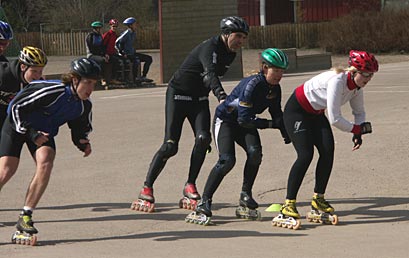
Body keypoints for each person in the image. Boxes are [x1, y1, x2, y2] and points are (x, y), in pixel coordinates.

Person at [130, 16, 249, 213]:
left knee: (203, 139)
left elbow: (212, 77)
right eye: (238, 36)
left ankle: (190, 185)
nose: (241, 41)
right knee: (170, 146)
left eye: (244, 38)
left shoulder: (230, 53)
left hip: (199, 99)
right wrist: (221, 97)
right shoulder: (209, 48)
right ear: (226, 34)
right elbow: (210, 74)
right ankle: (147, 187)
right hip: (178, 94)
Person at [272, 50, 377, 229]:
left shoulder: (357, 88)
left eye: (371, 75)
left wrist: (357, 133)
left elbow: (359, 112)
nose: (368, 78)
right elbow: (335, 118)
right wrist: (357, 127)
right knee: (305, 155)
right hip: (297, 111)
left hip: (315, 113)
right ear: (353, 71)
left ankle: (318, 199)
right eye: (365, 74)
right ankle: (288, 204)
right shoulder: (338, 81)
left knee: (328, 152)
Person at [0, 58, 100, 244]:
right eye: (87, 82)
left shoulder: (83, 105)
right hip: (18, 126)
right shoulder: (51, 90)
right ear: (75, 79)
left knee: (46, 160)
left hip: (42, 133)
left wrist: (81, 142)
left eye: (94, 83)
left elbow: (78, 127)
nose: (90, 88)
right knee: (7, 169)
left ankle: (26, 216)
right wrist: (30, 133)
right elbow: (15, 107)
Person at [185, 48, 291, 224]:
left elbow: (276, 113)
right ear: (265, 68)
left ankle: (245, 195)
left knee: (255, 153)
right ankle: (205, 201)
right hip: (226, 121)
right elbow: (244, 120)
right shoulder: (252, 85)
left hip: (245, 122)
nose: (279, 75)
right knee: (227, 160)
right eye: (276, 70)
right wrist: (271, 125)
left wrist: (286, 133)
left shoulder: (275, 89)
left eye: (282, 71)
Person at [0, 46, 48, 131]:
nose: (37, 76)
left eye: (40, 71)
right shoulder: (3, 74)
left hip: (16, 116)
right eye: (34, 71)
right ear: (23, 67)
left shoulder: (38, 82)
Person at [115, 17, 153, 83]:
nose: (136, 25)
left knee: (149, 58)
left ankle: (143, 76)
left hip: (132, 53)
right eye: (135, 24)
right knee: (136, 61)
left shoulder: (133, 33)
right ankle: (135, 79)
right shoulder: (126, 33)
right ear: (130, 25)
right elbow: (117, 42)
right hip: (127, 54)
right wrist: (122, 53)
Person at [86, 21, 111, 87]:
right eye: (99, 28)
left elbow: (102, 46)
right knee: (102, 61)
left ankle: (111, 79)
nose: (100, 30)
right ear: (96, 28)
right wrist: (101, 55)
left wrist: (105, 54)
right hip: (91, 55)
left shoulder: (100, 36)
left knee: (109, 60)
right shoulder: (90, 36)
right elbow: (91, 48)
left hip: (99, 54)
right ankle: (102, 78)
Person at [102, 18, 122, 86]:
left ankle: (116, 78)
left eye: (116, 26)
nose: (115, 28)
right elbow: (102, 45)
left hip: (112, 53)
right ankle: (105, 79)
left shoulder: (115, 35)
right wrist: (105, 54)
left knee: (120, 60)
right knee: (110, 62)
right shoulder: (107, 34)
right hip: (106, 54)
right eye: (113, 26)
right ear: (110, 26)